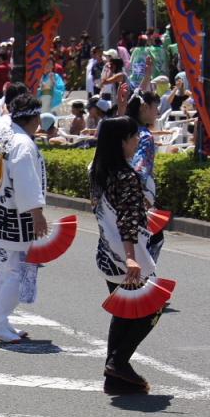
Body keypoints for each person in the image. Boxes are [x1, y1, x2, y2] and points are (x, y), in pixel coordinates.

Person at [88, 117, 163, 395]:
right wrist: (132, 258)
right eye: (132, 137)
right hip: (128, 256)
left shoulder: (97, 171)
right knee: (151, 309)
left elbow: (111, 132)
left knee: (123, 313)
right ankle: (118, 363)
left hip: (107, 253)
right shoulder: (127, 177)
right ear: (121, 142)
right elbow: (129, 220)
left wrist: (119, 113)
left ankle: (114, 376)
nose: (136, 142)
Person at [0, 93, 49, 343]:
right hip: (14, 216)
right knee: (16, 272)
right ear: (36, 118)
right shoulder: (22, 143)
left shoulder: (5, 131)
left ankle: (0, 319)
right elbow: (25, 182)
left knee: (6, 269)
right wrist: (37, 215)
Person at [126, 92, 164, 262]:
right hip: (138, 196)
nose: (158, 112)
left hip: (114, 196)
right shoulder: (145, 136)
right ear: (144, 107)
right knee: (152, 240)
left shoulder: (122, 129)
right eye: (155, 107)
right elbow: (140, 168)